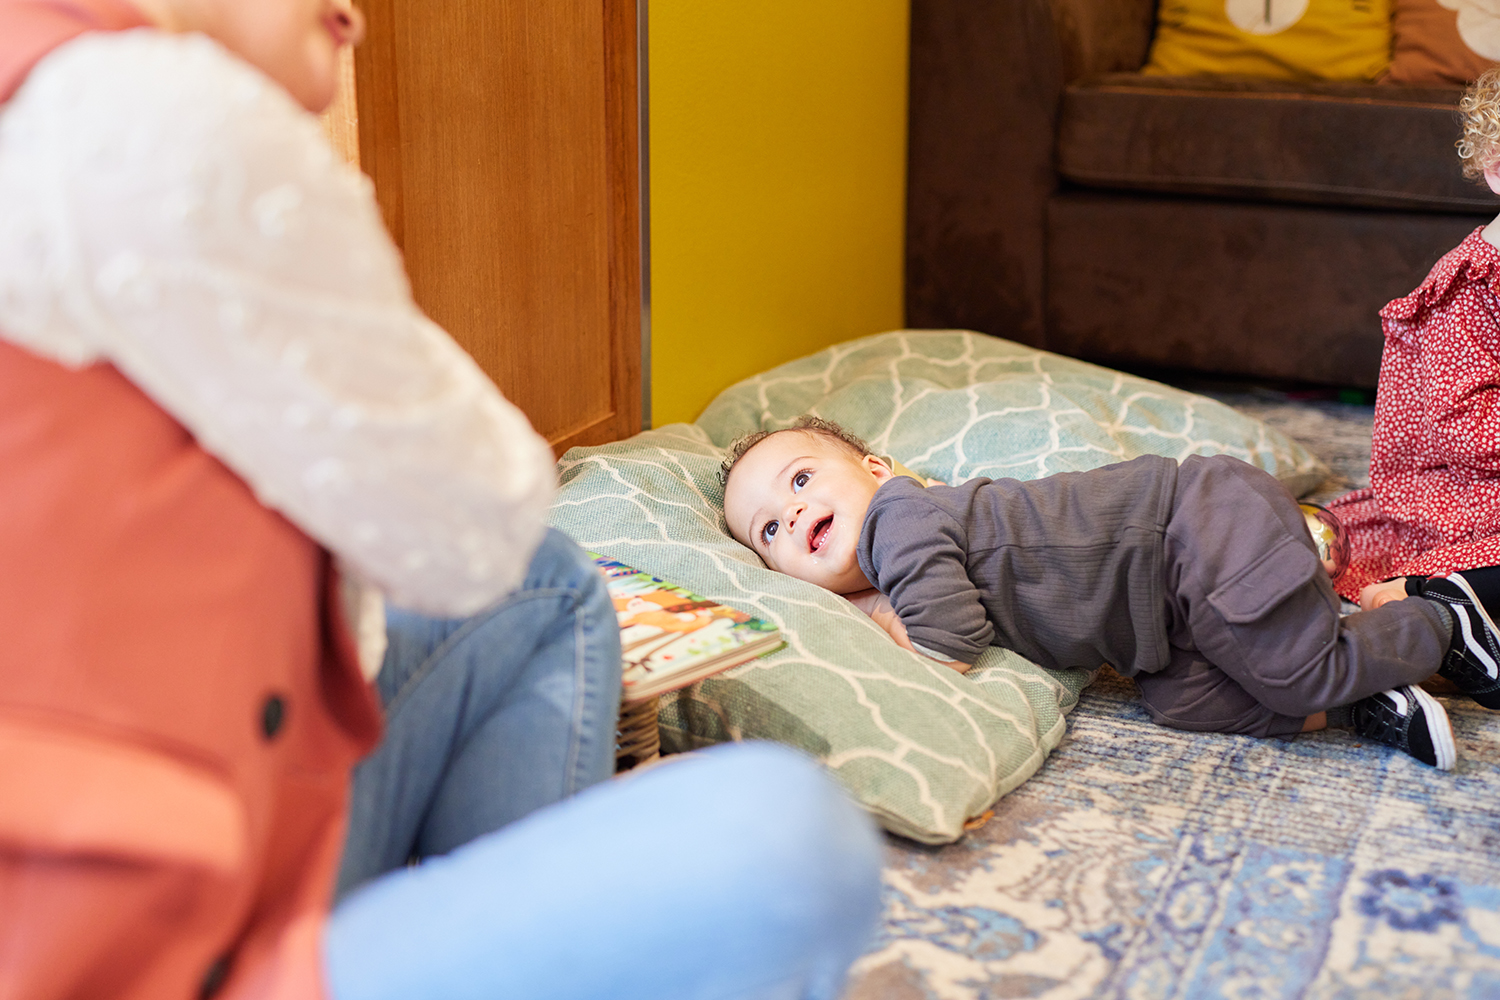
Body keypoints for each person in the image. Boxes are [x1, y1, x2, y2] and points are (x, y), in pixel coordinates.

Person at [0, 2, 883, 999]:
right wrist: (317, 210)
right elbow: (484, 519)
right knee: (792, 839)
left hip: (160, 841)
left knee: (547, 588)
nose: (353, 12)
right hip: (128, 953)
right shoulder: (158, 114)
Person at [721, 416, 1500, 772]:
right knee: (1186, 702)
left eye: (800, 479)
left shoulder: (904, 518)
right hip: (1160, 623)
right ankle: (1368, 696)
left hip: (1197, 526)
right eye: (767, 532)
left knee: (1295, 673)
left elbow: (949, 641)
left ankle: (1444, 619)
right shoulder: (896, 544)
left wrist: (874, 617)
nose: (791, 513)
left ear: (880, 470)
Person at [1327, 68, 1500, 610]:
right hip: (1471, 489)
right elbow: (1466, 432)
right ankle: (1417, 597)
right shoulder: (1468, 285)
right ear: (1497, 169)